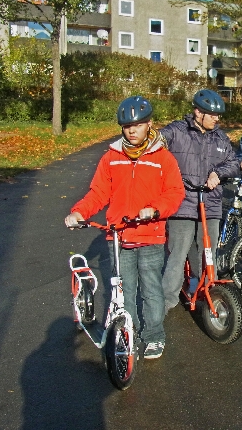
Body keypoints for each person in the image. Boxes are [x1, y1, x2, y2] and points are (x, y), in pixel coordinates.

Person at [65, 96, 185, 360]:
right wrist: (79, 212)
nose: (132, 130)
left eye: (138, 124)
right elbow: (98, 193)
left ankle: (154, 336)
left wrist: (154, 209)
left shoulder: (163, 158)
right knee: (124, 291)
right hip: (118, 235)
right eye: (127, 125)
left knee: (152, 289)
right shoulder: (111, 157)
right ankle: (128, 334)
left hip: (150, 234)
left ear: (149, 124)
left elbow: (175, 193)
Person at [160, 89, 240, 313]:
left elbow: (234, 163)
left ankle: (209, 294)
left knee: (208, 254)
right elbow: (156, 143)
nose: (217, 119)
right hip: (183, 204)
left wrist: (219, 173)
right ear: (197, 112)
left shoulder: (220, 138)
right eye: (212, 114)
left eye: (218, 115)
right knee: (177, 254)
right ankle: (166, 302)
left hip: (211, 205)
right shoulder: (177, 131)